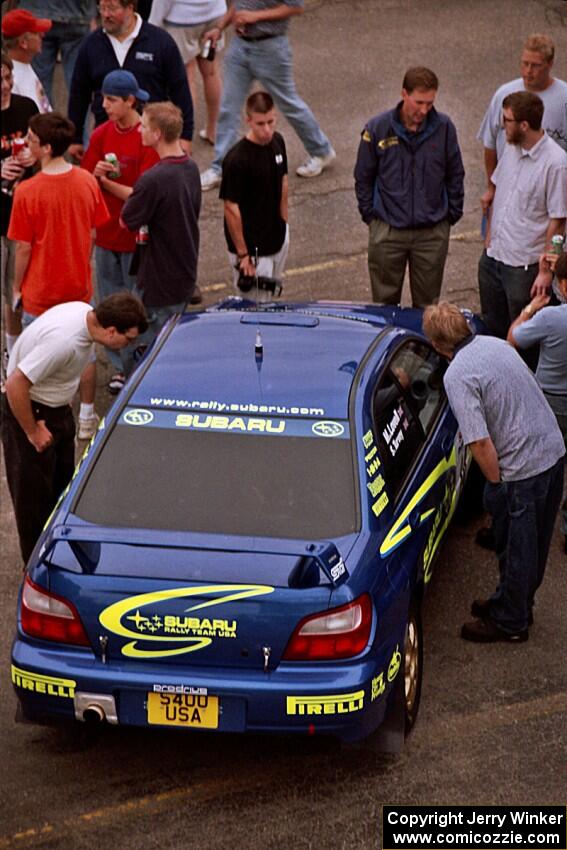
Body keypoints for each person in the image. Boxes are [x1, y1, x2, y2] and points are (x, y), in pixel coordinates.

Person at [422, 301, 565, 643]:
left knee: (517, 548)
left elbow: (479, 443)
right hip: (553, 451)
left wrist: (497, 486)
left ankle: (511, 621)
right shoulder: (496, 344)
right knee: (535, 547)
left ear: (439, 346)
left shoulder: (456, 375)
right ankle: (513, 601)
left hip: (523, 469)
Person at [1, 293, 148, 564]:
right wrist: (32, 431)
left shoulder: (86, 315)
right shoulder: (65, 343)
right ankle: (37, 570)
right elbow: (15, 383)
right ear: (111, 330)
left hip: (55, 409)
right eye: (128, 339)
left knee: (63, 491)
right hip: (31, 410)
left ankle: (59, 554)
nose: (130, 345)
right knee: (33, 502)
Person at [7, 112, 110, 439]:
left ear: (48, 147)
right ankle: (87, 415)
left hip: (41, 291)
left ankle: (44, 416)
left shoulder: (28, 191)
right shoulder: (87, 180)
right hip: (79, 286)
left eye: (33, 141)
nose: (28, 145)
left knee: (38, 358)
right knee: (85, 351)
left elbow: (22, 247)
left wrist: (15, 287)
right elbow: (94, 232)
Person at [354, 66, 464, 308]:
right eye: (419, 102)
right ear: (404, 94)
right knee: (384, 305)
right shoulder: (377, 129)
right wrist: (371, 217)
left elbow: (455, 173)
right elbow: (363, 176)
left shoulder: (444, 128)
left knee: (428, 308)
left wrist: (449, 217)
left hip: (431, 234)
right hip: (388, 232)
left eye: (430, 103)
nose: (424, 110)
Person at [199, 0, 335, 191]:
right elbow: (239, 5)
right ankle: (220, 168)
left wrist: (254, 17)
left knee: (289, 103)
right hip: (240, 47)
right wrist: (219, 27)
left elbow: (296, 7)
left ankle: (321, 151)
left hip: (270, 48)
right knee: (228, 107)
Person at [81, 69, 159, 394]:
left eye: (111, 100)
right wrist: (93, 174)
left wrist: (104, 182)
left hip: (134, 241)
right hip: (106, 237)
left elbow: (141, 193)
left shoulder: (145, 138)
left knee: (137, 308)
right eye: (103, 98)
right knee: (110, 305)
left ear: (130, 101)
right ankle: (119, 368)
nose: (105, 104)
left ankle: (138, 366)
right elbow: (85, 178)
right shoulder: (101, 134)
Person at [478, 91, 567, 343]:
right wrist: (488, 242)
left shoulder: (557, 164)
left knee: (521, 339)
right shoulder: (511, 147)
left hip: (523, 268)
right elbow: (497, 191)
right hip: (493, 257)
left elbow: (558, 220)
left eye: (507, 120)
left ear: (524, 125)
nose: (502, 125)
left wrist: (546, 272)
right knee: (491, 330)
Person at [120, 100, 201, 368]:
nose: (139, 130)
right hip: (183, 274)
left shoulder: (153, 179)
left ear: (157, 134)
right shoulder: (190, 168)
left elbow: (126, 220)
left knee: (149, 354)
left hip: (158, 281)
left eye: (143, 126)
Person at [67, 0, 194, 160]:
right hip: (107, 138)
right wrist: (75, 137)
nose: (105, 14)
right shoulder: (91, 45)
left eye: (112, 8)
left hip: (152, 140)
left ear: (130, 8)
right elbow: (79, 93)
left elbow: (180, 90)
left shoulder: (161, 42)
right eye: (102, 8)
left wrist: (185, 136)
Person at [507, 251, 567, 554]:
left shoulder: (552, 318)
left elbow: (513, 338)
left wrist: (530, 308)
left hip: (551, 402)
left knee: (543, 464)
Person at [478, 33, 567, 219]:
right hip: (508, 190)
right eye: (525, 63)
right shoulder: (504, 94)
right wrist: (491, 186)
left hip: (546, 195)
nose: (528, 71)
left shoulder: (564, 99)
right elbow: (490, 144)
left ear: (550, 65)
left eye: (535, 65)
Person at [219, 91, 287, 300]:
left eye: (270, 122)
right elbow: (231, 208)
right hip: (253, 250)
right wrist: (243, 255)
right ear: (248, 120)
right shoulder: (237, 160)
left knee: (272, 298)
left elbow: (283, 181)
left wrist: (284, 224)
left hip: (277, 239)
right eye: (260, 124)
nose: (267, 130)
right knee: (255, 308)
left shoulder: (278, 142)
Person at [1, 54, 38, 370]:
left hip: (22, 216)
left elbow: (47, 146)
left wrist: (33, 158)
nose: (4, 86)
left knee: (17, 290)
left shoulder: (27, 108)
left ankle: (13, 355)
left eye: (8, 77)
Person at [149, 0, 227, 145]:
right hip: (215, 14)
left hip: (182, 18)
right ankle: (213, 130)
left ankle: (184, 135)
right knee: (211, 73)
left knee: (186, 79)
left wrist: (152, 24)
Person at [15, 1, 97, 105]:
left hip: (36, 11)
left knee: (39, 82)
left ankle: (42, 119)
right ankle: (78, 120)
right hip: (77, 14)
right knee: (77, 82)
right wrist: (92, 14)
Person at [1, 9, 52, 113]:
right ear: (23, 43)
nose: (42, 35)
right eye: (37, 33)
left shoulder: (24, 66)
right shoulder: (10, 78)